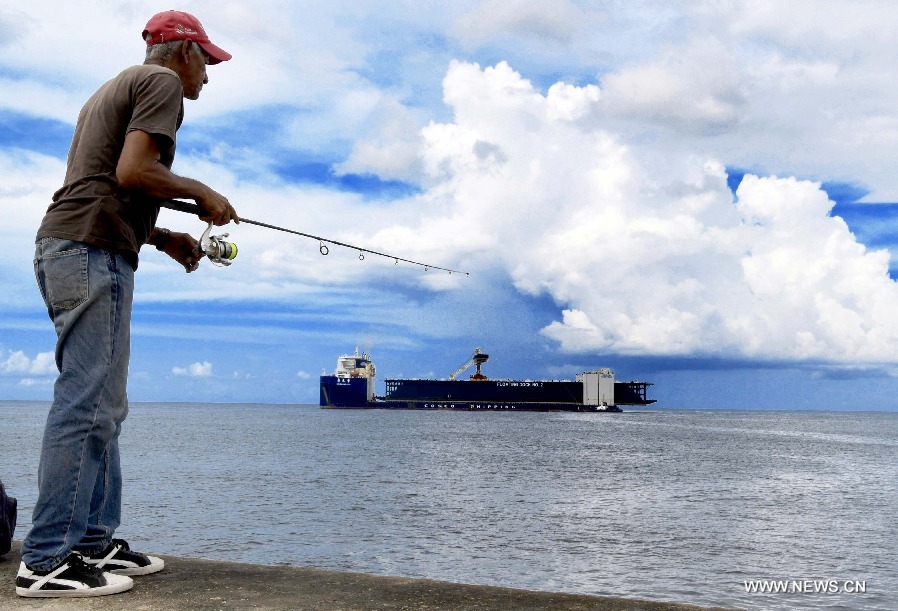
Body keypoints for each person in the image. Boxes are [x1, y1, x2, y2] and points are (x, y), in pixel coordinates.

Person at [16, 10, 238, 598]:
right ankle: (46, 561)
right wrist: (204, 194)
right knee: (87, 403)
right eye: (207, 62)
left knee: (103, 404)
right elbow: (136, 171)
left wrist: (165, 238)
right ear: (183, 51)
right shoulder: (162, 83)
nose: (207, 77)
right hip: (91, 250)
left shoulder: (108, 90)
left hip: (74, 243)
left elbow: (106, 181)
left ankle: (91, 540)